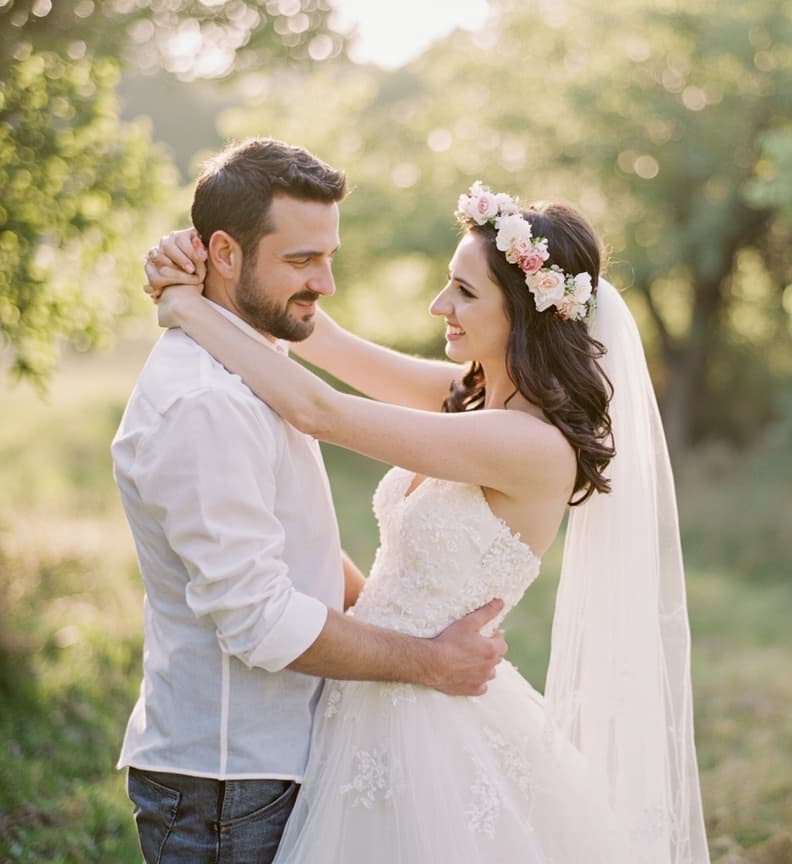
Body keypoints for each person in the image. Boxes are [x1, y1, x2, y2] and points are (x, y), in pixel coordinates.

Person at [146, 180, 710, 861]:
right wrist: (203, 266)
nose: (441, 305)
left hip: (431, 721)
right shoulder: (469, 397)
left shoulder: (529, 445)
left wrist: (182, 308)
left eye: (465, 293)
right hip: (369, 694)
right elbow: (323, 338)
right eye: (449, 283)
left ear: (525, 315)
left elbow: (318, 410)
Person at [115, 139, 507, 864]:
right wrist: (427, 661)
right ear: (224, 253)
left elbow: (301, 551)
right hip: (230, 784)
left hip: (278, 764)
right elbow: (258, 619)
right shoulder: (206, 403)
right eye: (301, 260)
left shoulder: (256, 362)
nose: (325, 283)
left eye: (328, 256)